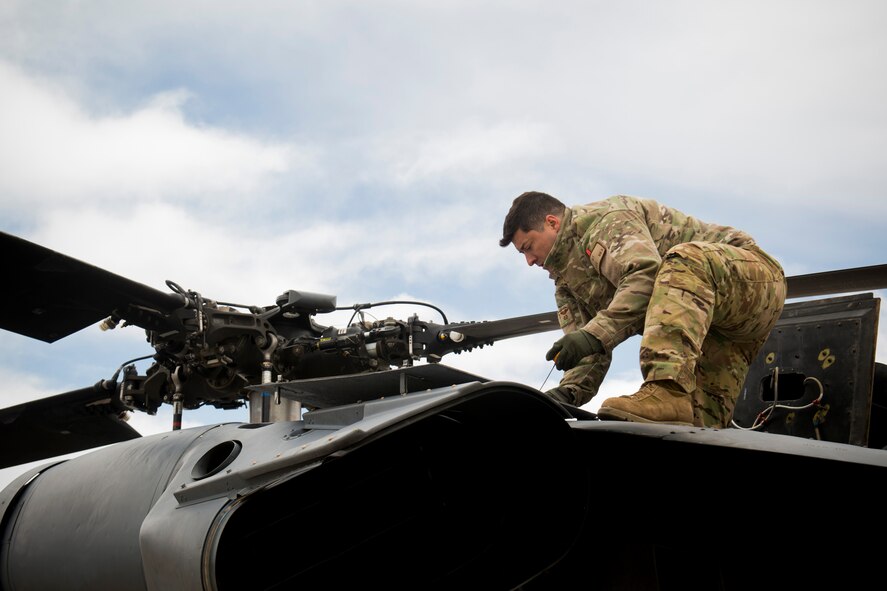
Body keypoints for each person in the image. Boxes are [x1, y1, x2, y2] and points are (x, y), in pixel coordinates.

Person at [499, 191, 786, 428]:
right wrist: (564, 396)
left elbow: (646, 275)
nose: (529, 261)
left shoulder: (604, 220)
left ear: (552, 223)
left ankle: (665, 388)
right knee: (694, 432)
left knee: (682, 260)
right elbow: (588, 348)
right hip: (713, 332)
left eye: (528, 247)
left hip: (750, 282)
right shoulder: (566, 285)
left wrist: (594, 335)